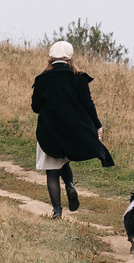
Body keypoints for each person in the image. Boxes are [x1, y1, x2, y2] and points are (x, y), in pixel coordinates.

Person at [31, 40, 113, 217]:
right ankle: (69, 185)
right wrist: (97, 125)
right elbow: (88, 105)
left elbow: (35, 107)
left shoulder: (42, 79)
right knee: (64, 160)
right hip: (72, 131)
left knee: (52, 171)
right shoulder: (78, 78)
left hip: (49, 131)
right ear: (70, 58)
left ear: (51, 58)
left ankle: (57, 211)